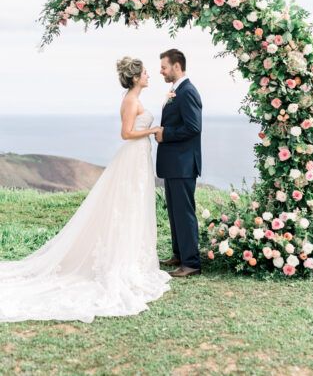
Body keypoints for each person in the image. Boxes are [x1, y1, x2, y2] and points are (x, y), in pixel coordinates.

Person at [0, 57, 171, 323]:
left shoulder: (136, 98)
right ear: (136, 77)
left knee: (135, 207)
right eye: (146, 73)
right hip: (132, 157)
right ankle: (120, 263)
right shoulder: (129, 100)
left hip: (140, 158)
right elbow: (125, 133)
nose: (150, 76)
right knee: (126, 206)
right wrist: (154, 129)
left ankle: (133, 259)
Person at [155, 49, 202, 277]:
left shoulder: (187, 92)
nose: (161, 71)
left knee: (184, 213)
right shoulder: (176, 91)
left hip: (183, 164)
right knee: (174, 212)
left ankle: (191, 263)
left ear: (176, 66)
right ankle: (179, 255)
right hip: (174, 164)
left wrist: (166, 134)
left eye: (164, 66)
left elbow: (193, 127)